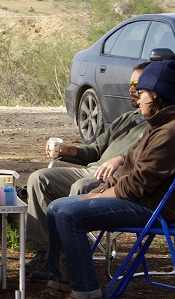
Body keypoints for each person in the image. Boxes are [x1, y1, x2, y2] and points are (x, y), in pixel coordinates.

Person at [30, 60, 175, 299]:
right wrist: (97, 191)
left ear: (155, 95)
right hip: (141, 202)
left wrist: (96, 195)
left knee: (67, 213)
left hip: (150, 209)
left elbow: (136, 186)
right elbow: (125, 171)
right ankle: (61, 284)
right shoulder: (158, 126)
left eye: (141, 93)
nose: (138, 99)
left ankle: (86, 297)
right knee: (56, 208)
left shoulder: (170, 132)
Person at [25, 62, 151, 280]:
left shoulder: (157, 128)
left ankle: (67, 259)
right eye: (130, 83)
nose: (131, 89)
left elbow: (143, 162)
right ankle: (44, 253)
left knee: (80, 187)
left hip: (114, 181)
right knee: (39, 178)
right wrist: (68, 150)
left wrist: (120, 159)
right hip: (92, 171)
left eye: (137, 85)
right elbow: (94, 150)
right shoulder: (127, 120)